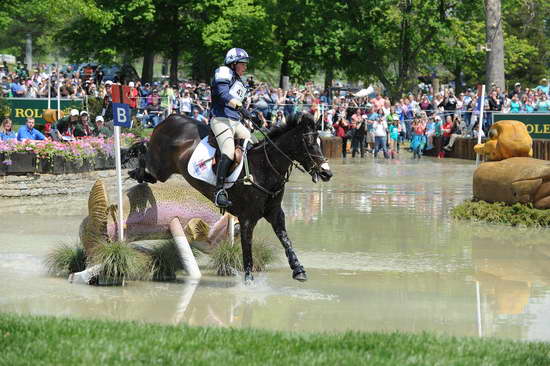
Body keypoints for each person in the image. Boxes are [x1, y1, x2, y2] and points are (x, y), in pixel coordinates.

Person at [209, 47, 252, 208]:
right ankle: (218, 192)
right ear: (233, 64)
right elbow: (222, 94)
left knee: (251, 140)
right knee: (228, 151)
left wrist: (247, 114)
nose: (245, 67)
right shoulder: (223, 71)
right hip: (220, 119)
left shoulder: (240, 81)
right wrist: (239, 105)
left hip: (234, 121)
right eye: (243, 64)